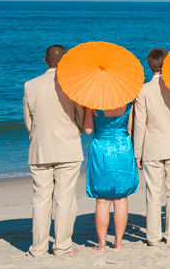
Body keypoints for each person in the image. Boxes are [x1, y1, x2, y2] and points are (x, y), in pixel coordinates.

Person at [23, 45, 84, 257]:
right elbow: (79, 117)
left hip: (40, 148)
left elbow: (28, 122)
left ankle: (38, 247)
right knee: (65, 197)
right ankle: (62, 245)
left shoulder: (30, 85)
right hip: (68, 147)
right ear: (65, 61)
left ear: (44, 60)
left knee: (40, 199)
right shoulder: (72, 84)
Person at [133, 48, 170, 246]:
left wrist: (137, 152)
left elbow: (139, 124)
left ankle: (153, 236)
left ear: (150, 66)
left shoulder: (142, 90)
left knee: (153, 193)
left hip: (151, 146)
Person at [84, 102, 139, 249]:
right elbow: (130, 127)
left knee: (102, 200)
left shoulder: (92, 102)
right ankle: (118, 242)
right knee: (121, 198)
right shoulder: (128, 101)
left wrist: (86, 109)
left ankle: (101, 244)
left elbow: (88, 129)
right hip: (123, 147)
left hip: (101, 148)